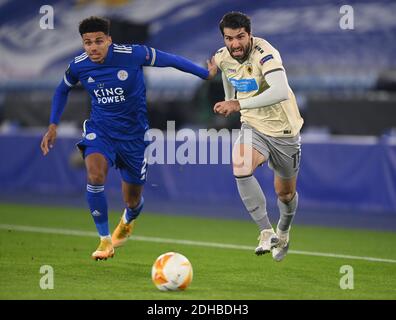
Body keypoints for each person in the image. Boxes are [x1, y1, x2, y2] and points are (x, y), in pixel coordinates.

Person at [40, 16, 217, 261]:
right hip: (100, 131)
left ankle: (128, 218)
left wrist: (204, 73)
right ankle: (104, 240)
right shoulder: (79, 65)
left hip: (133, 137)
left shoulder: (133, 54)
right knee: (94, 175)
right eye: (87, 42)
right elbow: (62, 89)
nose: (93, 47)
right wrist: (53, 124)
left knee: (132, 200)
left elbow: (170, 60)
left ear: (109, 40)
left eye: (98, 41)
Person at [213, 12, 303, 261]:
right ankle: (266, 231)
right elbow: (226, 72)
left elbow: (281, 91)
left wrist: (239, 105)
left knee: (285, 194)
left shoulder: (266, 53)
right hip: (253, 126)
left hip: (284, 132)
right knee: (240, 166)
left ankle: (283, 231)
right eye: (229, 38)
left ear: (249, 35)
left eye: (240, 37)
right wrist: (229, 97)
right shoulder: (223, 56)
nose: (235, 44)